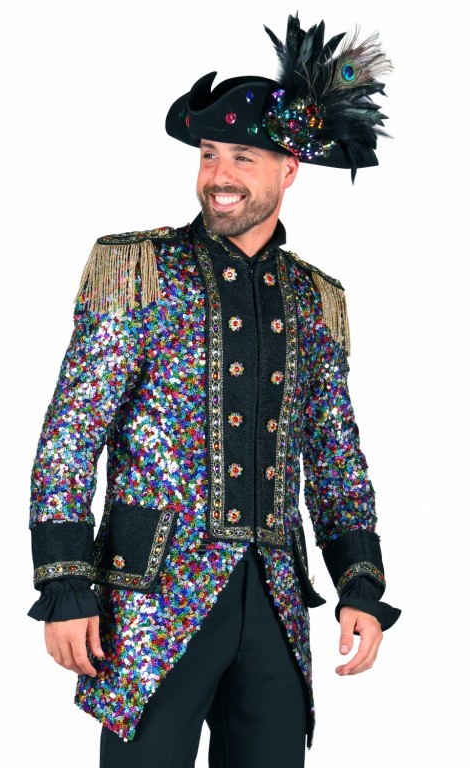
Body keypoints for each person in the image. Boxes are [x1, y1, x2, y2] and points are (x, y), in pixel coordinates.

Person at [28, 14, 400, 768]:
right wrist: (65, 584)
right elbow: (70, 437)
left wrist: (359, 583)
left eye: (243, 156)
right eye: (208, 154)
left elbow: (336, 456)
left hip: (275, 604)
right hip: (151, 602)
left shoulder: (315, 299)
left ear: (289, 171)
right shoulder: (138, 271)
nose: (218, 175)